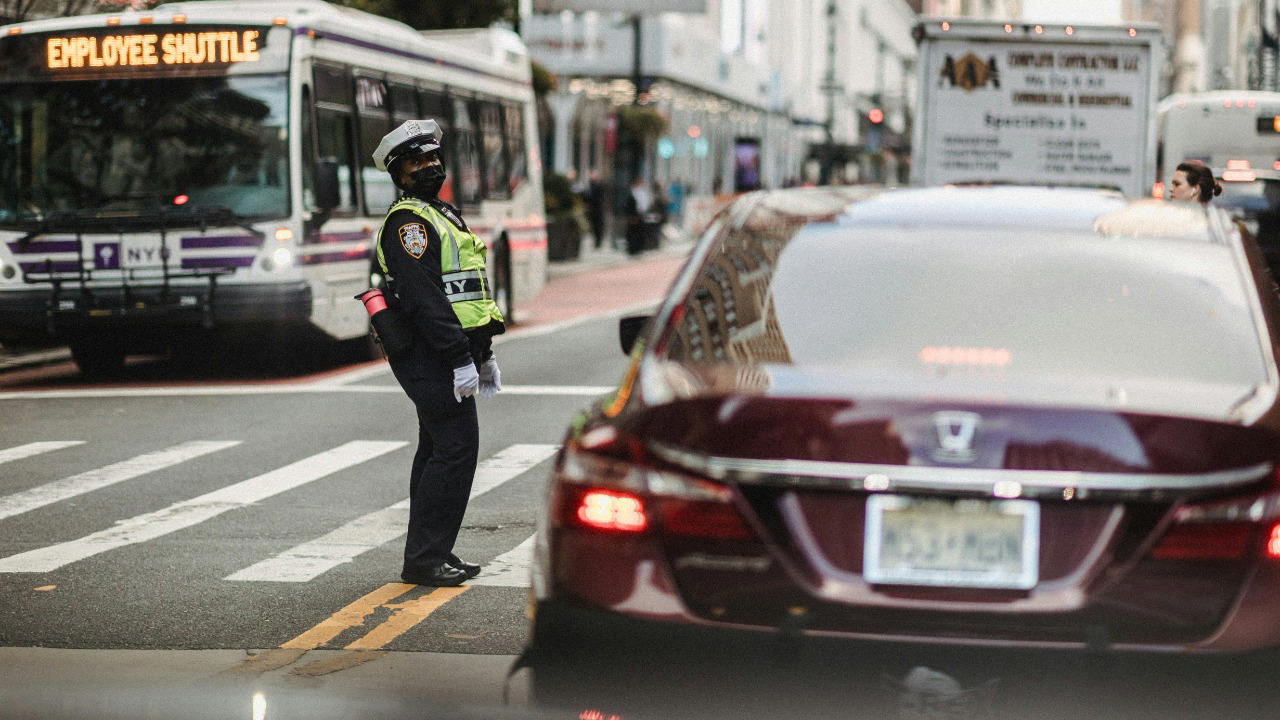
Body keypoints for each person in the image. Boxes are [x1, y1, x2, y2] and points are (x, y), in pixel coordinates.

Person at [370, 119, 505, 587]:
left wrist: (482, 350)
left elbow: (465, 289)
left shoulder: (440, 214)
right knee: (455, 447)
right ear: (398, 172)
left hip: (448, 350)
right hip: (429, 353)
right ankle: (426, 558)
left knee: (437, 448)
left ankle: (430, 553)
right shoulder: (409, 224)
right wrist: (459, 358)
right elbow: (426, 299)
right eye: (416, 161)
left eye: (432, 158)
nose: (429, 166)